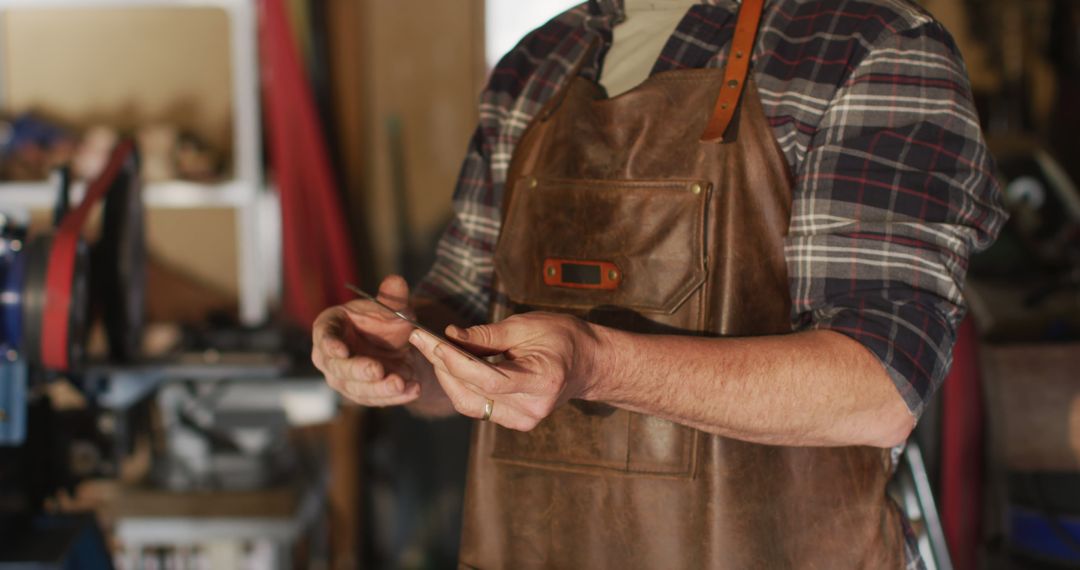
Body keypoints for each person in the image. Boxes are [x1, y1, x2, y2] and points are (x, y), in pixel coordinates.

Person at [313, 0, 1006, 567]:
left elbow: (878, 387)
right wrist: (406, 355)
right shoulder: (536, 64)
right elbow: (460, 340)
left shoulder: (864, 45)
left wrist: (595, 363)